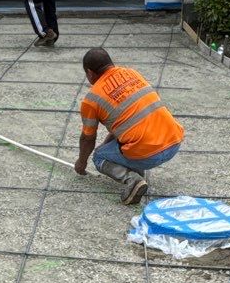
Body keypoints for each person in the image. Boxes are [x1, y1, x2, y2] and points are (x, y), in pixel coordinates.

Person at [73, 47, 185, 206]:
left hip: (149, 154)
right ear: (110, 64)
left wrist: (81, 162)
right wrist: (106, 147)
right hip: (174, 142)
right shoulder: (133, 74)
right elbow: (125, 123)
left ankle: (133, 180)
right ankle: (137, 175)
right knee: (114, 146)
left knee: (99, 157)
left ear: (90, 73)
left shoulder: (92, 99)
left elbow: (87, 138)